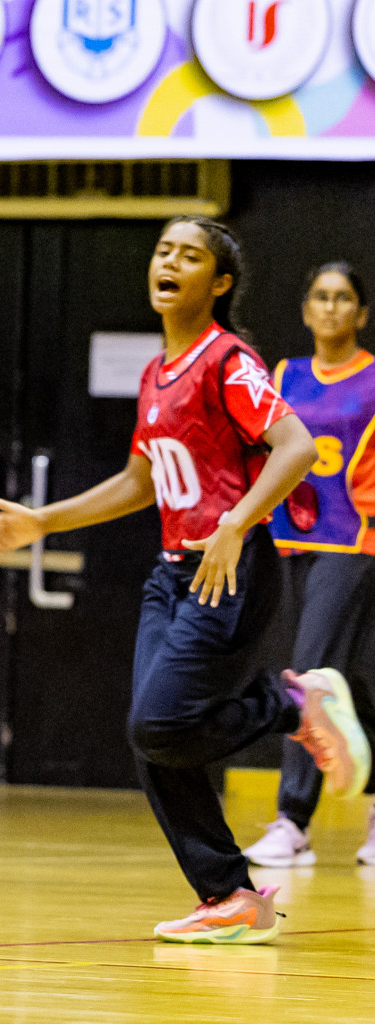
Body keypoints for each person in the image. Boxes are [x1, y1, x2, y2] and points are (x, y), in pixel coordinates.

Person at [0, 217, 371, 944]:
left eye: (190, 255)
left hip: (231, 568)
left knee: (160, 723)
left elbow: (297, 446)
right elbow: (138, 481)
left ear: (217, 284)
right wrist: (43, 521)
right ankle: (231, 898)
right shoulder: (159, 373)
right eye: (163, 250)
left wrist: (236, 523)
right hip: (172, 572)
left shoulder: (227, 359)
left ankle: (292, 706)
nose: (170, 261)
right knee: (152, 735)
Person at [243, 262, 375, 868]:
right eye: (319, 296)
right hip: (292, 542)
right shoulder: (284, 376)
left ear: (361, 313)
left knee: (312, 672)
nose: (330, 307)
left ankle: (292, 821)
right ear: (305, 310)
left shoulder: (373, 377)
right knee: (360, 679)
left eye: (343, 297)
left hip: (357, 542)